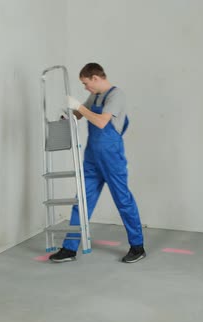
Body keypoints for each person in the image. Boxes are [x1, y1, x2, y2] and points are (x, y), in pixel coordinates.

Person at [49, 63, 146, 264]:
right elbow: (80, 114)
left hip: (111, 157)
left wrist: (79, 107)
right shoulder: (95, 96)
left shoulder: (116, 95)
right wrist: (68, 113)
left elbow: (101, 122)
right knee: (82, 201)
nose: (86, 88)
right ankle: (69, 248)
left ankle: (137, 246)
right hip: (92, 156)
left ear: (95, 78)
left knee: (123, 200)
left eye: (86, 83)